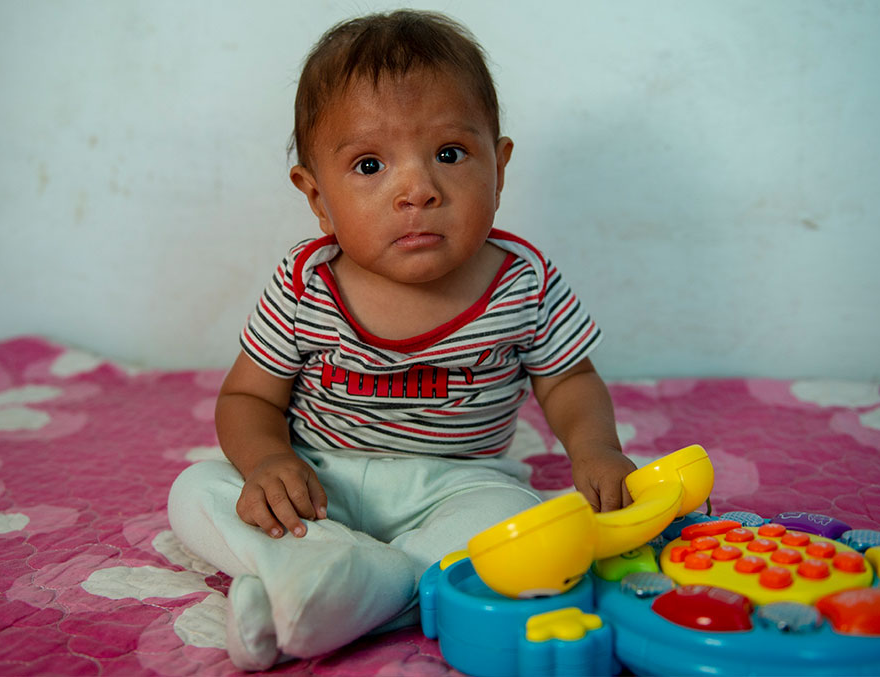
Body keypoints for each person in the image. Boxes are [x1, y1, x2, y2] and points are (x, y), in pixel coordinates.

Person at [168, 9, 637, 670]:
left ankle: (300, 591)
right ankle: (321, 570)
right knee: (196, 489)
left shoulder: (524, 282)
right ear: (317, 195)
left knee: (519, 526)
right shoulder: (305, 284)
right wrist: (268, 461)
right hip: (319, 480)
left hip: (460, 484)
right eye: (369, 165)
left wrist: (595, 448)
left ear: (498, 168)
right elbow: (247, 397)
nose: (417, 189)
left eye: (450, 154)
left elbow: (569, 379)